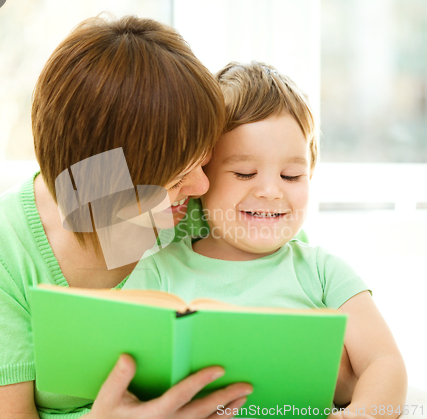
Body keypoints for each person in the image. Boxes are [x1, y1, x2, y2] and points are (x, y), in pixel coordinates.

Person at [0, 16, 255, 419]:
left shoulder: (201, 210)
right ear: (105, 188)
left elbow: (306, 296)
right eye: (177, 178)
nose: (200, 186)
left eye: (204, 160)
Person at [122, 61, 408, 418]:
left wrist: (359, 414)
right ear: (200, 179)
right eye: (245, 173)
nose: (271, 191)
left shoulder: (323, 272)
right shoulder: (157, 273)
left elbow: (385, 363)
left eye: (291, 175)